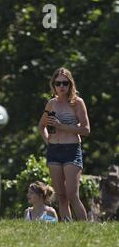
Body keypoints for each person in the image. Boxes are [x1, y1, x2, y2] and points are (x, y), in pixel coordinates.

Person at [38, 67, 91, 221]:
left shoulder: (77, 103)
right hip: (54, 150)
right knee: (61, 196)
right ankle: (68, 228)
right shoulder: (51, 104)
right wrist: (47, 140)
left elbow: (86, 130)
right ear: (53, 85)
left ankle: (84, 227)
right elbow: (41, 127)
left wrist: (61, 126)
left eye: (65, 83)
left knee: (72, 194)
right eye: (58, 83)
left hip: (72, 149)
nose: (61, 86)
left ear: (70, 84)